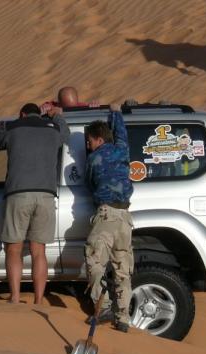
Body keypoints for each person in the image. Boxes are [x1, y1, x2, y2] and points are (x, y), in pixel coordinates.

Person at [0, 103, 70, 304]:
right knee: (38, 251)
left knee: (13, 249)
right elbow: (66, 134)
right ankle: (39, 300)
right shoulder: (53, 130)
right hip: (46, 195)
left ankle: (15, 297)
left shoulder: (14, 128)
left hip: (18, 193)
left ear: (22, 114)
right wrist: (57, 116)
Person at [84, 104, 134, 333]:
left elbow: (89, 184)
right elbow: (121, 134)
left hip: (105, 216)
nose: (88, 144)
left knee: (94, 261)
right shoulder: (122, 151)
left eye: (90, 140)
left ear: (99, 140)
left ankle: (101, 306)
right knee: (122, 268)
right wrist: (115, 114)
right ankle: (123, 317)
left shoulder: (94, 159)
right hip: (125, 217)